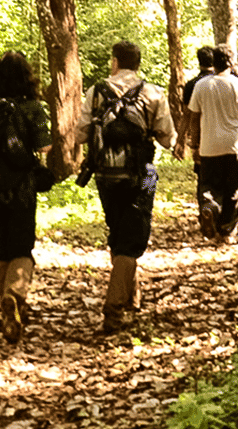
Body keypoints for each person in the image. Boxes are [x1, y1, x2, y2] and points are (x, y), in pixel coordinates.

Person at [75, 40, 176, 333]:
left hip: (104, 174)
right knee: (133, 237)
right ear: (138, 63)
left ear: (115, 61)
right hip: (145, 173)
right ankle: (115, 306)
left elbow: (81, 135)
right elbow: (167, 139)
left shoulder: (96, 92)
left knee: (118, 230)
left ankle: (131, 296)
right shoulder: (153, 93)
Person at [0, 51, 52, 343]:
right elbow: (45, 148)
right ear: (27, 77)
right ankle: (13, 296)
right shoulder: (31, 107)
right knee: (22, 250)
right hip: (21, 187)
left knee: (3, 249)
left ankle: (9, 313)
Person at [188, 43, 238, 244]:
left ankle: (209, 208)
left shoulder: (201, 85)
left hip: (209, 146)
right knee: (234, 189)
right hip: (234, 146)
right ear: (230, 62)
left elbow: (194, 118)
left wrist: (194, 146)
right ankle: (227, 231)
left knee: (209, 184)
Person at [173, 46, 214, 162]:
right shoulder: (226, 83)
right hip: (227, 139)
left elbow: (187, 115)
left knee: (204, 175)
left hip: (201, 138)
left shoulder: (191, 85)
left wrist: (179, 141)